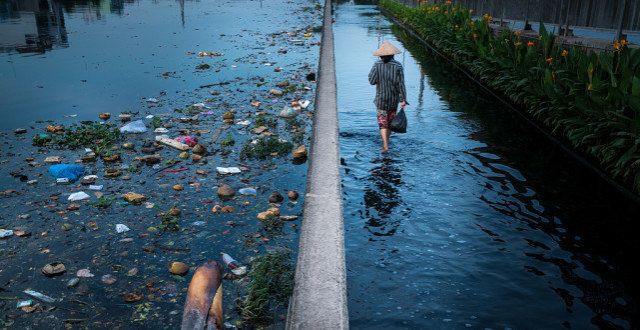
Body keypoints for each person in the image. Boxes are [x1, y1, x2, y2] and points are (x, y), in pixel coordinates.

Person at [368, 41, 407, 152]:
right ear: (393, 54)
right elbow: (401, 84)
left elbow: (371, 81)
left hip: (380, 100)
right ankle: (386, 143)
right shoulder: (398, 66)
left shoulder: (377, 65)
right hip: (393, 100)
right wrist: (403, 99)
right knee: (389, 123)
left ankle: (385, 145)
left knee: (382, 123)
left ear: (381, 55)